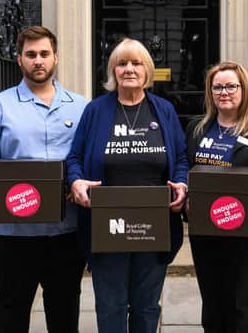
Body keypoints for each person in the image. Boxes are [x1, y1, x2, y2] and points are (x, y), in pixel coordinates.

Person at [0, 26, 88, 333]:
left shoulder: (81, 106)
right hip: (9, 231)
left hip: (66, 229)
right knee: (11, 307)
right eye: (31, 54)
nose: (38, 61)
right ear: (19, 59)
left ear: (56, 57)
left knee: (64, 306)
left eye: (44, 54)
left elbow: (90, 159)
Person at [66, 38, 188, 333]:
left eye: (136, 63)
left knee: (147, 306)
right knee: (111, 305)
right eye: (122, 63)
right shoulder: (96, 110)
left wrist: (182, 184)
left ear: (147, 71)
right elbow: (75, 158)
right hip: (106, 225)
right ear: (113, 71)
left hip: (154, 225)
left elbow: (181, 157)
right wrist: (76, 181)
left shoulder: (164, 110)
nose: (129, 69)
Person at [186, 61, 248, 333]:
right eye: (217, 87)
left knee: (240, 304)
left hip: (243, 231)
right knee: (212, 303)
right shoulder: (196, 129)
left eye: (230, 86)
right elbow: (187, 170)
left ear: (244, 90)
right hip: (205, 231)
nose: (223, 92)